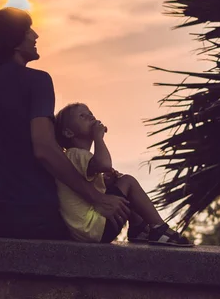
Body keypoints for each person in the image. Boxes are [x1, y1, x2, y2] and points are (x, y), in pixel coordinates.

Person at [0, 7, 130, 240]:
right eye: (28, 30)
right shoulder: (38, 81)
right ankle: (153, 231)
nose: (35, 36)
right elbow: (44, 148)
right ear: (14, 40)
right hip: (35, 217)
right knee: (125, 187)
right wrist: (97, 197)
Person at [54, 102, 193, 246]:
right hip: (94, 228)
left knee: (118, 183)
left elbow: (94, 176)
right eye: (82, 116)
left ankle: (139, 228)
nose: (90, 116)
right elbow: (104, 164)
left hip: (87, 230)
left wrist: (106, 181)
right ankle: (159, 229)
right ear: (68, 132)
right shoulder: (76, 154)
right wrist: (98, 138)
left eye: (91, 113)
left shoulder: (73, 157)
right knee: (128, 181)